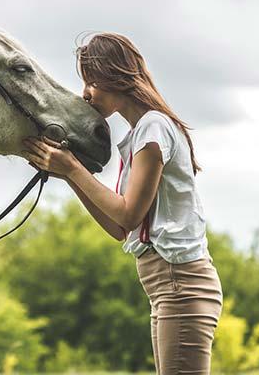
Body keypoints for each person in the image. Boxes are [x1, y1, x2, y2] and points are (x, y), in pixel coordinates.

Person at [21, 32, 223, 374]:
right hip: (168, 287)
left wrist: (72, 167)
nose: (84, 94)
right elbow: (119, 229)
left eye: (90, 82)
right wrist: (70, 175)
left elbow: (128, 214)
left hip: (181, 286)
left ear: (113, 75)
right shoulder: (143, 133)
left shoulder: (153, 128)